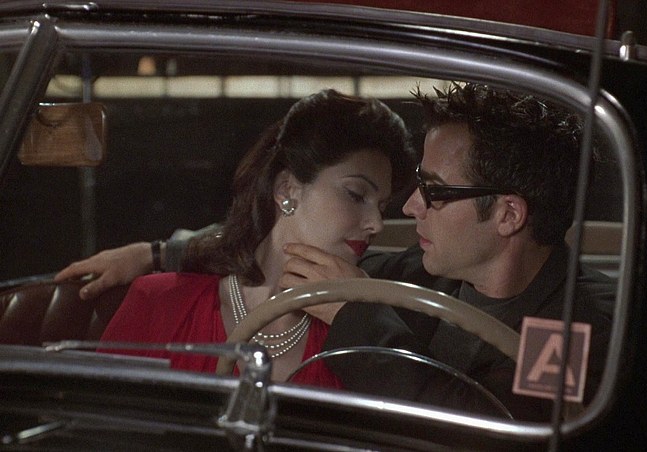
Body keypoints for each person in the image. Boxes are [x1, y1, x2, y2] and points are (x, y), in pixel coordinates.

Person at [56, 83, 614, 421]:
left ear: (509, 216)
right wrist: (157, 254)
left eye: (436, 192)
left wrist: (355, 318)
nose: (410, 207)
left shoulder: (575, 323)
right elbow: (276, 250)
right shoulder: (428, 276)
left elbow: (490, 432)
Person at [80, 89, 414, 385]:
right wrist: (152, 254)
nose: (376, 224)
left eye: (382, 207)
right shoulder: (160, 304)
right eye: (356, 194)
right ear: (287, 189)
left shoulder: (361, 341)